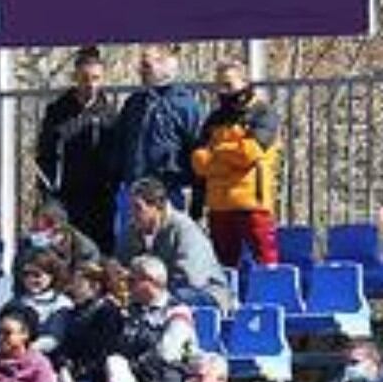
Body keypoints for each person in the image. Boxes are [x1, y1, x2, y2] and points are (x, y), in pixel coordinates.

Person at [193, 61, 284, 268]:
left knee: (266, 263)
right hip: (219, 205)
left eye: (228, 84)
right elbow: (198, 162)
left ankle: (269, 298)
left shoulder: (263, 114)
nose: (223, 91)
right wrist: (230, 155)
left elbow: (249, 153)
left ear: (244, 83)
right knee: (224, 268)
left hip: (253, 203)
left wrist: (216, 152)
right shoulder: (213, 119)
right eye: (218, 85)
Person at [35, 47, 123, 254]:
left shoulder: (110, 113)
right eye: (85, 78)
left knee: (101, 251)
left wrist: (113, 183)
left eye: (96, 78)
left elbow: (117, 154)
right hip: (66, 195)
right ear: (75, 77)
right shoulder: (58, 111)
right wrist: (47, 189)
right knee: (62, 251)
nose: (91, 84)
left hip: (101, 197)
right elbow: (45, 152)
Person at [109, 47, 204, 234]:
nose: (142, 71)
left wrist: (197, 195)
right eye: (141, 66)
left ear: (165, 66)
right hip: (134, 188)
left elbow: (197, 150)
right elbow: (119, 144)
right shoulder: (134, 103)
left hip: (169, 189)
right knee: (130, 243)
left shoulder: (185, 105)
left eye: (147, 65)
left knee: (168, 240)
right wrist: (115, 178)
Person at [125, 178, 231, 309]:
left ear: (157, 207)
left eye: (138, 208)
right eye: (131, 208)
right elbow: (123, 264)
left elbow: (190, 280)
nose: (133, 214)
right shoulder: (132, 230)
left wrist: (150, 285)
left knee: (174, 296)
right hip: (159, 290)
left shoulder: (185, 229)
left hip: (204, 294)